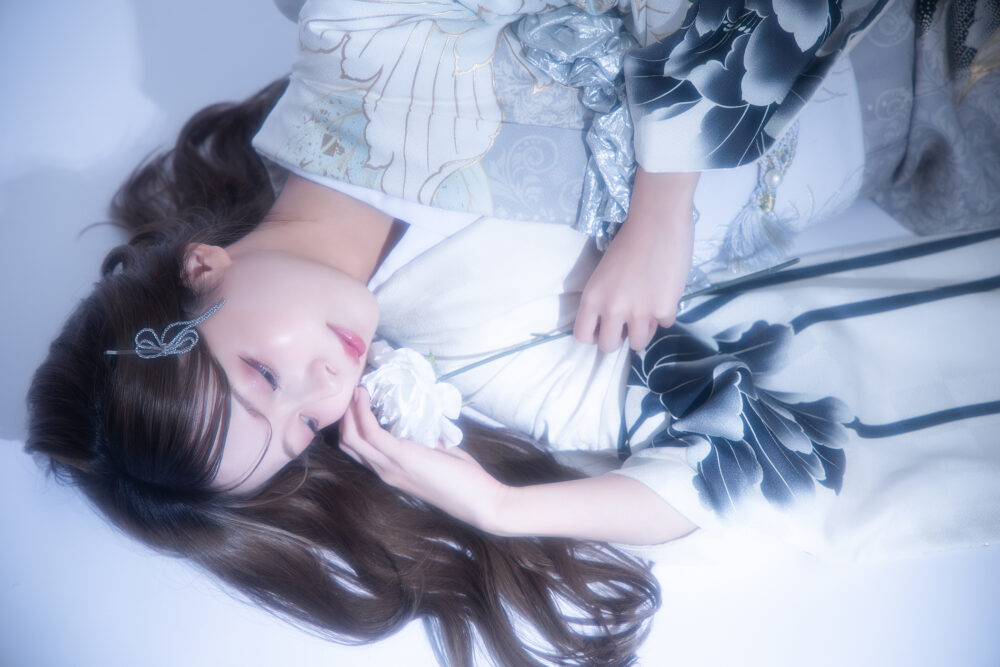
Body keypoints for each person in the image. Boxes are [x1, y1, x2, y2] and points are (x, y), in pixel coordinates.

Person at [25, 1, 1000, 666]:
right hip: (952, 125)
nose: (321, 388)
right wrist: (501, 506)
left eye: (261, 375)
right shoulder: (474, 355)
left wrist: (661, 207)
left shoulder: (358, 33)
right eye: (298, 433)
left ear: (201, 266)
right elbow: (737, 455)